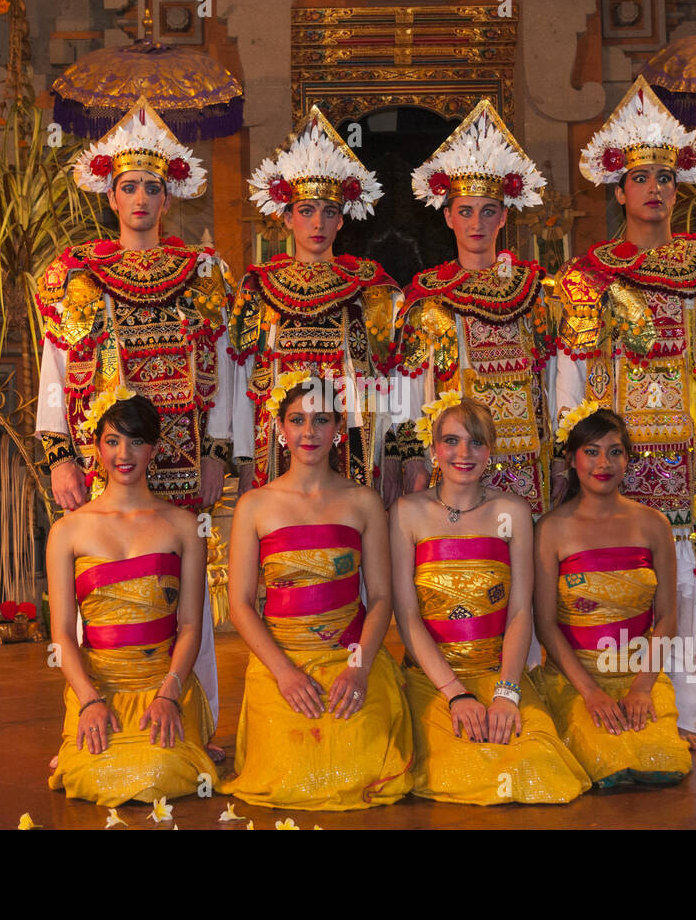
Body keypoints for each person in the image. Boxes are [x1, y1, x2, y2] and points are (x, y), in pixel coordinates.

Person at [546, 77, 696, 748]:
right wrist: (571, 450)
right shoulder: (587, 277)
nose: (655, 189)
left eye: (665, 177)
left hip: (693, 460)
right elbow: (569, 371)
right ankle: (623, 701)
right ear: (618, 190)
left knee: (693, 588)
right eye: (641, 178)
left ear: (679, 188)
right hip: (616, 462)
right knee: (619, 580)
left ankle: (690, 715)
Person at [34, 97, 232, 735]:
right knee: (113, 597)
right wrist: (60, 455)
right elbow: (55, 370)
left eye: (152, 185)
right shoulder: (80, 278)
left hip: (181, 464)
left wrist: (219, 455)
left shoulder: (201, 275)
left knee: (184, 599)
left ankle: (192, 723)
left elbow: (225, 367)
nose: (141, 197)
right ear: (111, 197)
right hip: (111, 462)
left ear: (168, 197)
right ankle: (96, 715)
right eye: (128, 186)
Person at [221, 372, 414, 811]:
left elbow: (381, 597)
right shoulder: (254, 505)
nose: (309, 432)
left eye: (321, 420)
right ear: (280, 428)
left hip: (351, 659)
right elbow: (240, 604)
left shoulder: (363, 501)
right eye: (297, 420)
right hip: (281, 665)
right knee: (287, 778)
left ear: (338, 427)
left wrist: (361, 667)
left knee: (363, 767)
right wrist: (284, 674)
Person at [389, 394, 590, 805]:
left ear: (491, 450)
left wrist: (507, 692)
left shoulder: (513, 512)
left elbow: (519, 611)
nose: (464, 453)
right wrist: (456, 694)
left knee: (540, 768)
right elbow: (406, 615)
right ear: (433, 449)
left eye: (476, 442)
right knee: (463, 768)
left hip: (500, 674)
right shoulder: (406, 513)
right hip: (433, 680)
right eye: (452, 441)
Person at [389, 99, 558, 518]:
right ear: (448, 217)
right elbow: (409, 390)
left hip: (527, 460)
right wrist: (412, 456)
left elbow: (553, 377)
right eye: (465, 212)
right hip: (453, 464)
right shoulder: (426, 298)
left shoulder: (537, 292)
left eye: (488, 212)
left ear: (504, 218)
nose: (476, 224)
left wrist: (562, 458)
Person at [46, 394, 218, 806]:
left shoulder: (184, 526)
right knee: (94, 779)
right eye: (112, 441)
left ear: (154, 450)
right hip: (98, 687)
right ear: (97, 448)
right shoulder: (67, 532)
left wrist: (168, 696)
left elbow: (191, 626)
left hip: (165, 685)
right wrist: (89, 701)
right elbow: (62, 637)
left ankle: (187, 727)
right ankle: (79, 732)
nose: (124, 454)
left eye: (136, 441)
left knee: (163, 774)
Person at [230, 106, 401, 500]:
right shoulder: (259, 287)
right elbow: (244, 380)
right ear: (286, 218)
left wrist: (394, 453)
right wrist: (242, 458)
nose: (318, 224)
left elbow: (389, 378)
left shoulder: (371, 287)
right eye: (306, 211)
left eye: (329, 212)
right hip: (275, 442)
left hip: (355, 439)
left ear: (342, 220)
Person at [533, 405, 692, 789]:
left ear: (628, 460)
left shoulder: (654, 524)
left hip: (639, 675)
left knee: (663, 764)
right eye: (591, 451)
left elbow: (667, 617)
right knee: (607, 765)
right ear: (571, 459)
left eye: (615, 451)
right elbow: (545, 625)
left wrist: (642, 688)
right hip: (576, 680)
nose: (603, 462)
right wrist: (590, 693)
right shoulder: (551, 529)